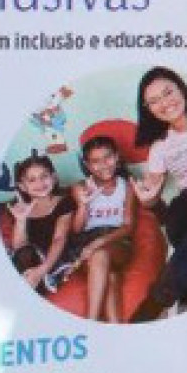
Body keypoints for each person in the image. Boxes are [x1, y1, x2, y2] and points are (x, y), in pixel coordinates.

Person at [130, 66, 187, 321]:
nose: (164, 103)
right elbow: (153, 194)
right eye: (154, 101)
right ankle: (172, 300)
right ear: (148, 109)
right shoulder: (160, 146)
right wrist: (148, 199)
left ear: (181, 88)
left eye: (168, 92)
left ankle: (160, 302)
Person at [70, 134, 138, 322]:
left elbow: (128, 227)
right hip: (86, 242)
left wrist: (98, 243)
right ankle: (116, 332)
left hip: (116, 241)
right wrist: (83, 204)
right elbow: (76, 230)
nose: (103, 165)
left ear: (116, 157)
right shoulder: (80, 187)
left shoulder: (127, 186)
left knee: (100, 254)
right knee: (112, 277)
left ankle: (90, 322)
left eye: (108, 157)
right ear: (87, 165)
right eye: (95, 161)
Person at [7, 153, 75, 296]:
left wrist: (42, 270)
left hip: (53, 259)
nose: (40, 183)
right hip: (30, 258)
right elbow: (19, 247)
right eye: (32, 180)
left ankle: (42, 282)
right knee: (23, 255)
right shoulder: (20, 206)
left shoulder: (64, 202)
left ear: (54, 177)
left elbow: (59, 239)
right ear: (22, 186)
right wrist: (21, 219)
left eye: (44, 176)